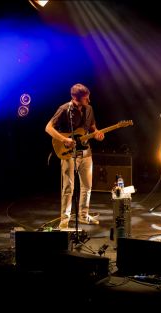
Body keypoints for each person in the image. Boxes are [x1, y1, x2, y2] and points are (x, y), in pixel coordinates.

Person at [45, 83, 104, 229]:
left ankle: (83, 215)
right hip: (69, 154)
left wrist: (97, 133)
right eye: (85, 99)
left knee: (87, 187)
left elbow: (92, 127)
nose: (88, 101)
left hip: (86, 153)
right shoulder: (64, 109)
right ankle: (64, 220)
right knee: (68, 188)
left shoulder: (89, 109)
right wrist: (64, 139)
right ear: (75, 98)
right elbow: (48, 128)